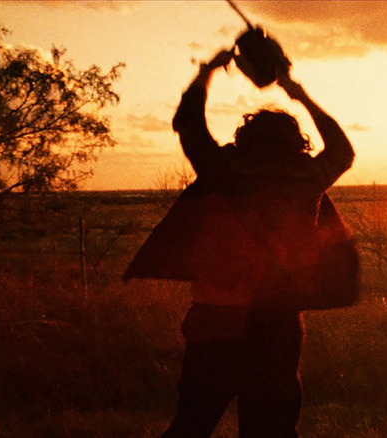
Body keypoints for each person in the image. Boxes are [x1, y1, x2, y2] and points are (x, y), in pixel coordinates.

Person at [124, 49, 354, 437]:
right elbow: (343, 149)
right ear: (296, 143)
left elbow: (189, 124)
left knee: (192, 423)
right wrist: (296, 91)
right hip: (277, 320)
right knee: (272, 429)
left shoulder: (220, 170)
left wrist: (206, 73)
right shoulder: (306, 176)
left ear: (244, 139)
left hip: (214, 317)